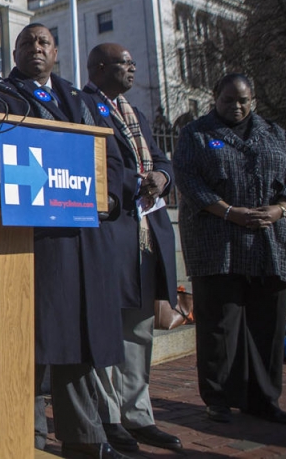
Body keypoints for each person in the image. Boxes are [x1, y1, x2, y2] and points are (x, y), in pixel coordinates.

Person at [0, 23, 126, 459]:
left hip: (82, 235)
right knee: (32, 340)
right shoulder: (0, 95)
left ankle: (84, 438)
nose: (35, 47)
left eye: (43, 42)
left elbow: (112, 155)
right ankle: (27, 437)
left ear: (56, 52)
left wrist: (109, 193)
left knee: (74, 340)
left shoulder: (81, 99)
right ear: (14, 53)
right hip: (31, 236)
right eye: (26, 42)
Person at [172, 73, 286, 427]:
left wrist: (281, 208)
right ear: (215, 98)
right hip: (218, 244)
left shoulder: (277, 135)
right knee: (218, 327)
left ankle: (264, 399)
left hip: (269, 243)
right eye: (228, 100)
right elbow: (189, 180)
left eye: (243, 100)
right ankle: (218, 399)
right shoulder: (196, 134)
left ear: (253, 100)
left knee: (267, 327)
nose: (236, 106)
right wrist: (228, 211)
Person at [83, 43, 183, 454]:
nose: (133, 68)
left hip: (148, 232)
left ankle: (138, 415)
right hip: (112, 231)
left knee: (140, 331)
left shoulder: (136, 112)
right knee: (109, 330)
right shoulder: (84, 105)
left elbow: (162, 159)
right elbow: (89, 160)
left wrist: (161, 176)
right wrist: (132, 183)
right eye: (125, 63)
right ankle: (108, 417)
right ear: (101, 67)